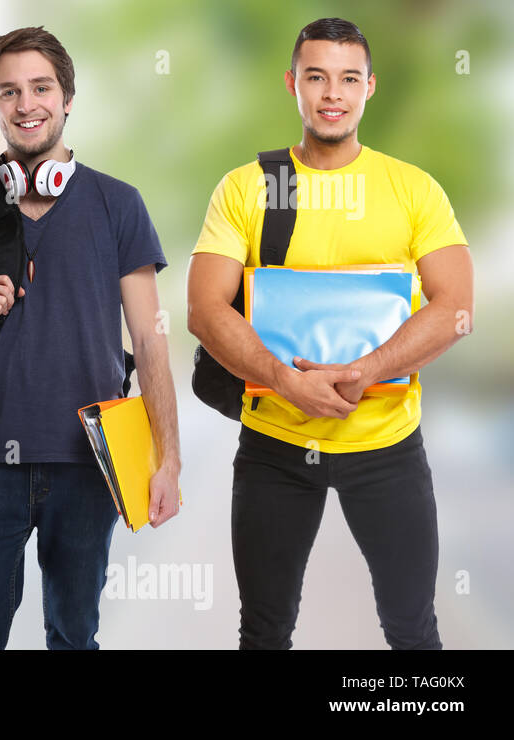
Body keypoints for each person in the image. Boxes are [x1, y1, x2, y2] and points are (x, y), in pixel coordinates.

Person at [0, 27, 182, 650]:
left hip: (90, 461)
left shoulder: (118, 205)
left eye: (40, 87)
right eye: (8, 92)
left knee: (75, 637)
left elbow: (150, 342)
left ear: (67, 98)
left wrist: (168, 460)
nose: (26, 104)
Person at [187, 18, 472, 649]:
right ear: (293, 84)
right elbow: (205, 312)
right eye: (316, 77)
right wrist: (288, 383)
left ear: (370, 87)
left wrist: (363, 373)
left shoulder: (413, 189)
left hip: (387, 446)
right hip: (275, 444)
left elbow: (456, 306)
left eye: (348, 78)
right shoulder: (250, 186)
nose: (332, 93)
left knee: (411, 629)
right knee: (263, 633)